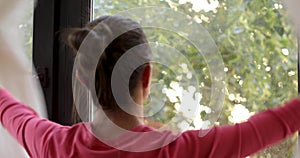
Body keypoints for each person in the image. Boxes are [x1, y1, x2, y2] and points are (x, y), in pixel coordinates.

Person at [0, 15, 300, 158]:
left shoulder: (53, 145)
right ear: (147, 76)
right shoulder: (179, 152)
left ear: (82, 79)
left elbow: (9, 109)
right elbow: (270, 126)